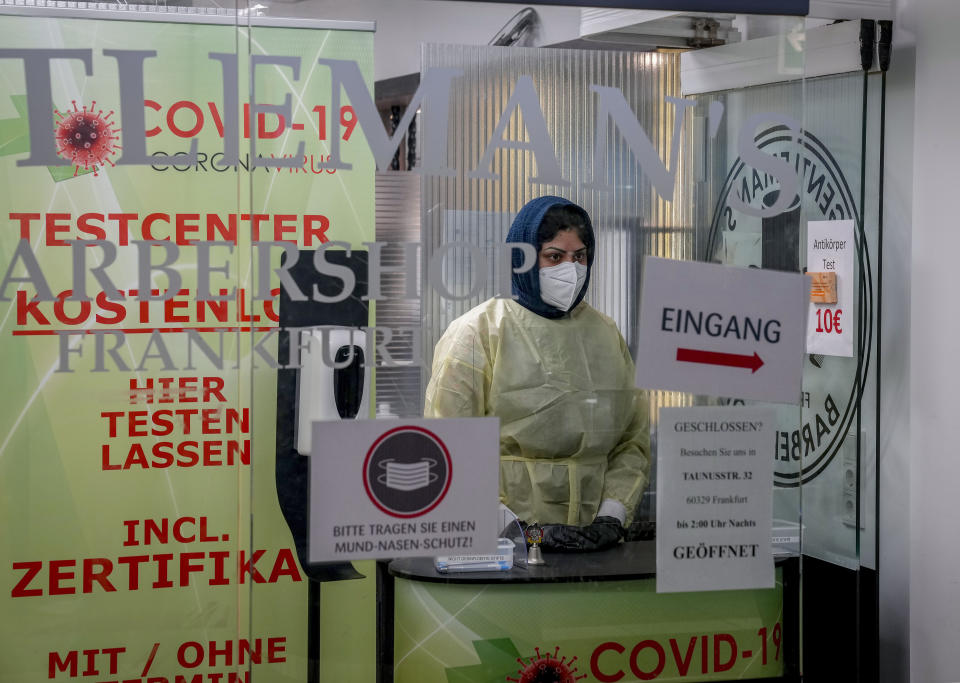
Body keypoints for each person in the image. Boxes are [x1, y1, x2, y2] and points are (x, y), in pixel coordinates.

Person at [425, 196, 650, 552]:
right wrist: (523, 532)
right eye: (555, 257)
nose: (571, 269)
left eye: (580, 257)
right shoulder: (479, 331)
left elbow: (631, 441)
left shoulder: (606, 334)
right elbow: (448, 450)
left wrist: (612, 516)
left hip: (594, 545)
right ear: (524, 256)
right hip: (503, 550)